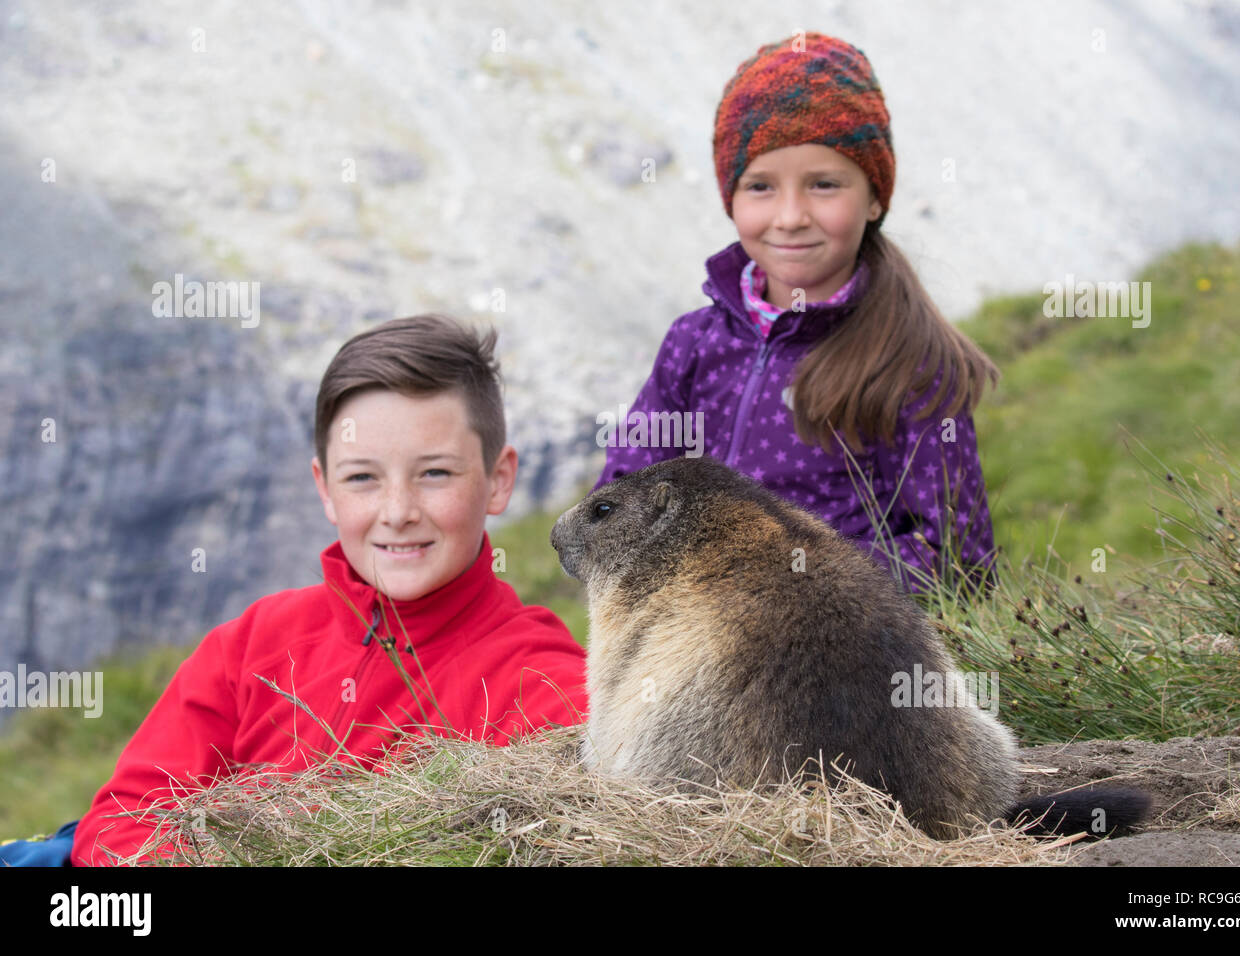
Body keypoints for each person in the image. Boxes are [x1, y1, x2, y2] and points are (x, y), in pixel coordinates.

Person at [57, 314, 588, 866]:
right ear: (325, 489)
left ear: (498, 480)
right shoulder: (252, 644)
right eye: (362, 478)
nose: (398, 512)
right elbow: (120, 823)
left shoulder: (545, 684)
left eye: (435, 473)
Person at [595, 32, 1001, 598]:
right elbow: (618, 495)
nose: (790, 216)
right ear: (729, 199)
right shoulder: (692, 344)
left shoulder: (911, 364)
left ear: (876, 197)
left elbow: (963, 565)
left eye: (824, 185)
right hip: (689, 651)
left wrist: (788, 575)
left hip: (836, 668)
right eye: (760, 186)